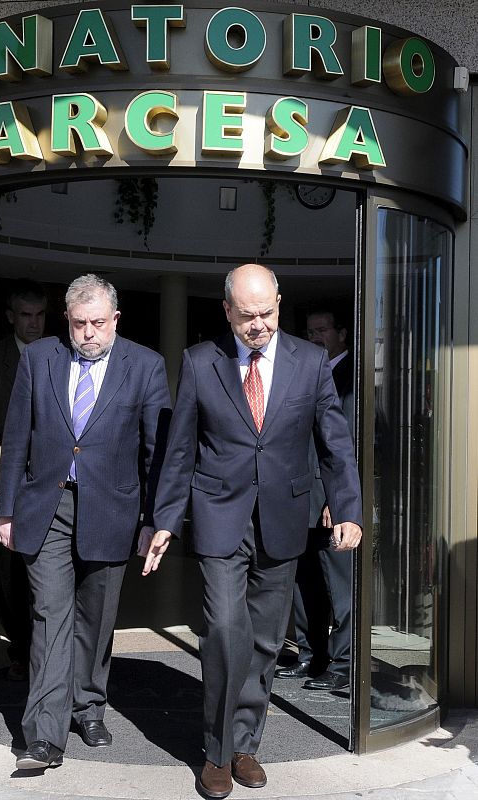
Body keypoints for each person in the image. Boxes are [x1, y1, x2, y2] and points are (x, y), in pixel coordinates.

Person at [141, 264, 362, 800]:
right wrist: (164, 520)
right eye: (246, 316)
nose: (258, 325)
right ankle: (216, 752)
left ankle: (245, 743)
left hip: (282, 521)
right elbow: (180, 450)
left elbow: (335, 443)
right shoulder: (200, 362)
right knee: (224, 630)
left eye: (266, 313)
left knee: (264, 641)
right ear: (227, 311)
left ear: (279, 305)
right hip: (219, 517)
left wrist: (347, 506)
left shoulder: (310, 364)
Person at [0, 273, 170, 771]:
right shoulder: (38, 359)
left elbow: (156, 454)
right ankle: (44, 735)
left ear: (115, 319)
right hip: (46, 507)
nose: (88, 333)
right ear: (65, 321)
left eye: (97, 323)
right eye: (78, 324)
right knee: (50, 617)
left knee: (95, 619)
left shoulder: (146, 366)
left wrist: (153, 521)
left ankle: (88, 705)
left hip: (113, 510)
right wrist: (7, 508)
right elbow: (17, 438)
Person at [275, 307, 355, 691]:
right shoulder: (308, 371)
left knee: (340, 584)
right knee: (304, 582)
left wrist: (335, 500)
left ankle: (345, 662)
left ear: (342, 333)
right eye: (309, 331)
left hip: (330, 500)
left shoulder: (352, 377)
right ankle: (311, 654)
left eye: (322, 329)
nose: (315, 337)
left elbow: (345, 445)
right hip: (300, 496)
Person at [0, 279, 48, 682]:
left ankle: (45, 654)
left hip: (50, 477)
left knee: (46, 570)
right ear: (11, 317)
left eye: (40, 315)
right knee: (9, 571)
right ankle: (20, 651)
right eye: (26, 315)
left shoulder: (58, 355)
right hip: (6, 475)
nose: (33, 323)